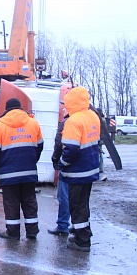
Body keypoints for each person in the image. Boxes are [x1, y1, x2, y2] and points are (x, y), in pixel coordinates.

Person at [0, 98, 43, 240]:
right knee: (29, 201)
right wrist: (31, 161)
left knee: (11, 203)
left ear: (6, 109)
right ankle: (32, 231)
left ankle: (13, 232)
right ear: (20, 108)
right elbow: (39, 146)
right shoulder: (33, 123)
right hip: (29, 171)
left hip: (8, 173)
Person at [58, 87, 100, 252]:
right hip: (90, 169)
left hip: (77, 171)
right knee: (83, 204)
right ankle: (80, 233)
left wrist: (62, 163)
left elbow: (71, 149)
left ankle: (82, 241)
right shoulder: (92, 116)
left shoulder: (73, 121)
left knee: (76, 207)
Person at [48, 107, 70, 236]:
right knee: (80, 199)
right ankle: (80, 227)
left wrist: (56, 161)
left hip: (68, 167)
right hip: (86, 168)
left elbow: (59, 144)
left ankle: (63, 225)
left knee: (64, 196)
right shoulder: (90, 119)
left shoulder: (67, 123)